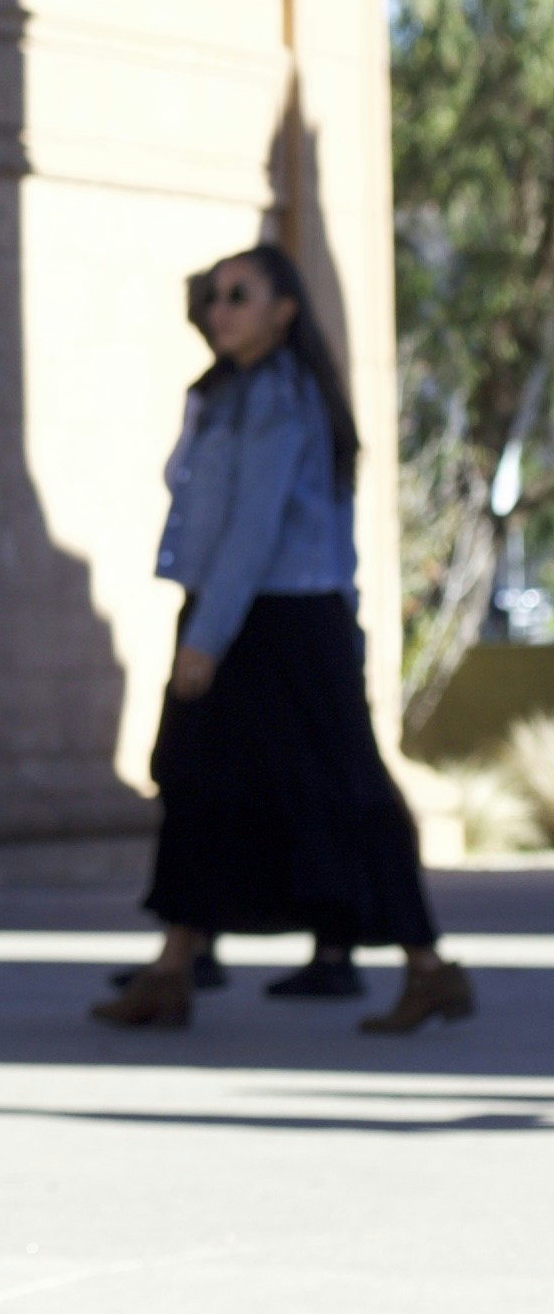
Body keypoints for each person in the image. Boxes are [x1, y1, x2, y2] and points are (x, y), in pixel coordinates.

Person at [93, 236, 470, 1037]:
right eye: (215, 296)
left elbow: (254, 529)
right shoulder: (227, 392)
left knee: (344, 789)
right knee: (198, 782)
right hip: (238, 610)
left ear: (284, 311)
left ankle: (429, 967)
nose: (219, 310)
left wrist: (207, 635)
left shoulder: (280, 397)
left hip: (282, 621)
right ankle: (173, 966)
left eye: (240, 296)